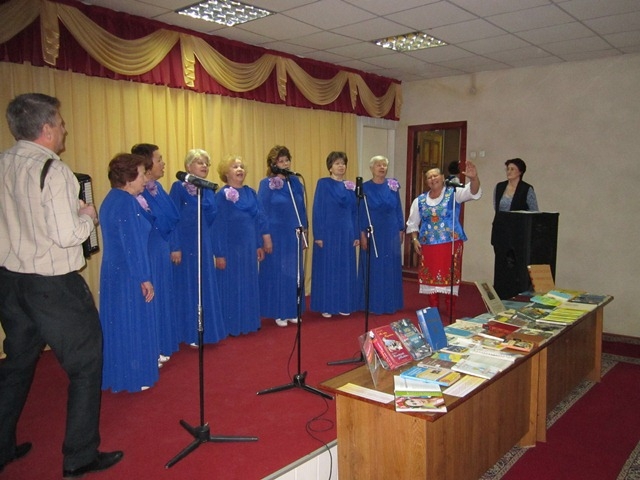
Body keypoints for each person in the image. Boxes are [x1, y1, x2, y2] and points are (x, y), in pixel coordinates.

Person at [0, 93, 123, 477]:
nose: (64, 129)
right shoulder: (54, 171)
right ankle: (79, 456)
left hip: (10, 282)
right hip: (53, 285)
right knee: (86, 365)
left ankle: (2, 447)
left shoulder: (2, 162)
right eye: (60, 122)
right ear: (46, 128)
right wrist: (88, 215)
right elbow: (68, 235)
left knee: (16, 366)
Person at [99, 153, 159, 393]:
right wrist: (144, 278)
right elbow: (133, 245)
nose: (145, 179)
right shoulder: (126, 202)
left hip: (114, 270)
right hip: (128, 273)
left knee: (118, 323)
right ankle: (134, 376)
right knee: (132, 322)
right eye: (142, 174)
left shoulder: (111, 199)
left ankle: (120, 373)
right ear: (129, 177)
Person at [406, 161, 481, 322]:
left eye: (435, 175)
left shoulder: (454, 193)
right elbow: (412, 222)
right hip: (428, 246)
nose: (433, 179)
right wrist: (414, 239)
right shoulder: (419, 200)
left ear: (442, 177)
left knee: (450, 278)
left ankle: (451, 312)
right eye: (429, 177)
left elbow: (473, 192)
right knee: (430, 278)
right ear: (426, 181)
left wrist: (474, 178)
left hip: (450, 244)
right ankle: (434, 311)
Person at [169, 149, 227, 346]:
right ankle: (190, 333)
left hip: (204, 242)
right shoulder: (178, 188)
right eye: (199, 162)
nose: (204, 166)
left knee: (204, 286)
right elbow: (173, 219)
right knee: (189, 287)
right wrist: (175, 246)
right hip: (185, 245)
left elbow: (213, 221)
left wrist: (217, 250)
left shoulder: (209, 189)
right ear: (188, 166)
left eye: (206, 163)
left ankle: (206, 331)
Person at [132, 143, 180, 366]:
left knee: (163, 297)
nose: (163, 163)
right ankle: (151, 349)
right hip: (149, 251)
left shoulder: (158, 188)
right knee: (151, 300)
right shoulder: (137, 193)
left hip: (162, 249)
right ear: (147, 164)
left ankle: (162, 344)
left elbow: (172, 217)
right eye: (159, 159)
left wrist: (174, 246)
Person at [213, 155, 271, 335]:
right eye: (235, 167)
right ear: (226, 173)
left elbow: (257, 220)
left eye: (241, 167)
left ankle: (249, 323)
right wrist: (219, 253)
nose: (240, 170)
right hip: (231, 249)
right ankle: (232, 326)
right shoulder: (222, 196)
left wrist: (258, 244)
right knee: (232, 286)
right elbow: (218, 226)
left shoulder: (250, 193)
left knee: (248, 285)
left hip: (248, 248)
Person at [257, 146, 308, 327]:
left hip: (294, 234)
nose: (285, 164)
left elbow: (301, 209)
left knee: (293, 273)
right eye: (281, 161)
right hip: (276, 235)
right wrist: (265, 237)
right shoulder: (267, 184)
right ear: (273, 164)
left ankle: (292, 309)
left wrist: (304, 232)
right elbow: (261, 212)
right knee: (278, 272)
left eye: (287, 160)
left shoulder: (295, 182)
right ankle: (279, 311)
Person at [311, 151, 361, 317]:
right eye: (337, 163)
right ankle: (327, 305)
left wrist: (356, 234)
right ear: (330, 167)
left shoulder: (350, 186)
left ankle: (343, 304)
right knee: (329, 269)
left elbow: (355, 212)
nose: (341, 166)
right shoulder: (323, 183)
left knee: (345, 268)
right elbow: (317, 209)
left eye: (343, 163)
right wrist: (318, 234)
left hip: (346, 232)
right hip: (328, 232)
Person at [358, 155, 405, 315]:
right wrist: (362, 234)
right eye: (378, 165)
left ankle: (391, 303)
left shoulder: (393, 185)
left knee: (390, 266)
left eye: (384, 165)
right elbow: (361, 212)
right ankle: (373, 304)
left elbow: (398, 208)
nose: (382, 168)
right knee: (374, 267)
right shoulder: (364, 187)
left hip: (391, 230)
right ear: (371, 168)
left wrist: (401, 229)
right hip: (373, 231)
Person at [491, 157, 539, 299]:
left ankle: (514, 294)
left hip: (517, 233)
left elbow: (534, 211)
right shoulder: (499, 187)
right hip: (500, 230)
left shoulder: (526, 189)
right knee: (501, 263)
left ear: (520, 172)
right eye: (508, 169)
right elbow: (496, 207)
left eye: (512, 169)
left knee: (514, 264)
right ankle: (500, 294)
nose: (509, 171)